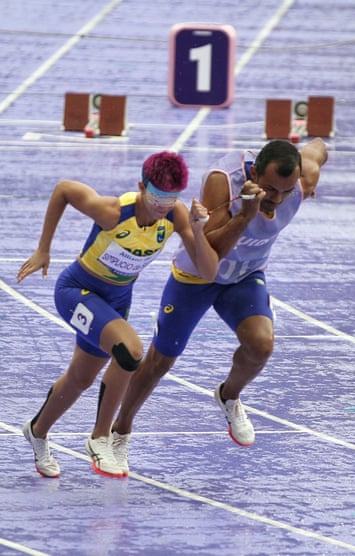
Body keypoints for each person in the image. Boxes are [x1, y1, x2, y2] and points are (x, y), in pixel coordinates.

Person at [103, 138, 328, 475]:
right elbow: (209, 250)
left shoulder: (304, 175)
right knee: (160, 360)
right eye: (269, 189)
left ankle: (229, 396)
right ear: (253, 173)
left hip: (244, 276)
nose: (277, 199)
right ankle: (120, 431)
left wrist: (308, 169)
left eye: (286, 191)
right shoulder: (223, 180)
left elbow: (319, 145)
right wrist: (246, 216)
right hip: (198, 276)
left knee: (261, 345)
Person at [17, 151, 219, 479]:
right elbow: (64, 189)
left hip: (117, 299)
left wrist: (198, 229)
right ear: (142, 187)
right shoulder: (113, 212)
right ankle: (100, 438)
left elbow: (209, 272)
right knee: (131, 351)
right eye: (156, 197)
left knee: (81, 379)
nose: (163, 206)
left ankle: (37, 431)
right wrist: (43, 249)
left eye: (172, 199)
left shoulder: (176, 216)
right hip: (78, 291)